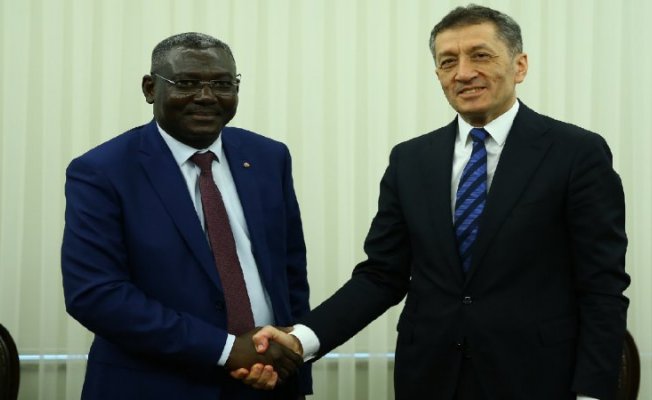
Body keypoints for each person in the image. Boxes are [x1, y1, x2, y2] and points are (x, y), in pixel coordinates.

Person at [240, 5, 630, 400]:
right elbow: (381, 276)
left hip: (537, 377)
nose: (463, 72)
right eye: (448, 62)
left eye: (480, 55)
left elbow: (602, 286)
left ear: (520, 66)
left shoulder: (575, 153)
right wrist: (301, 339)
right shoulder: (411, 160)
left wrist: (592, 392)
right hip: (429, 375)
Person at [61, 32, 311, 400]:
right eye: (187, 83)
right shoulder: (103, 171)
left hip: (268, 379)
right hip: (155, 386)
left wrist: (291, 354)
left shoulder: (268, 157)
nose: (206, 96)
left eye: (222, 84)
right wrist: (226, 349)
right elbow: (95, 294)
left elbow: (290, 273)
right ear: (150, 89)